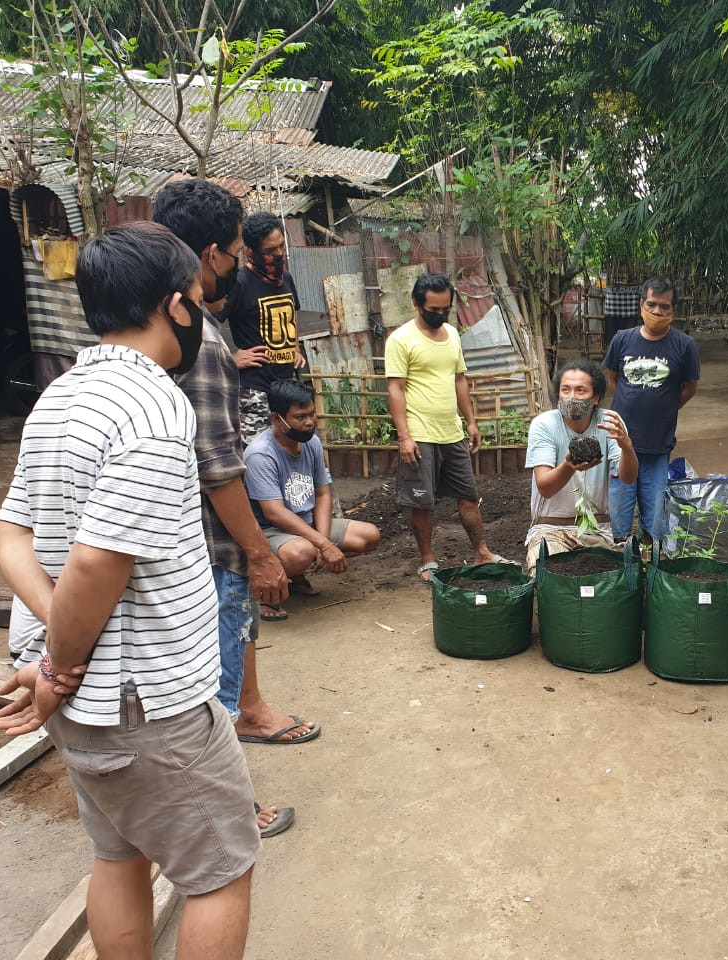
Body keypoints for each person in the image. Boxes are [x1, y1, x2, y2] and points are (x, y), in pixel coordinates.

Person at [0, 222, 258, 960]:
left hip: (92, 706)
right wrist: (58, 663)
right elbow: (94, 567)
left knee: (118, 856)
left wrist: (56, 651)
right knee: (219, 873)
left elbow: (11, 537)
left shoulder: (60, 396)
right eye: (201, 300)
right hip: (149, 704)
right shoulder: (153, 411)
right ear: (177, 306)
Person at [154, 178, 311, 843]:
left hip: (170, 536)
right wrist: (256, 550)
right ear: (216, 253)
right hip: (208, 543)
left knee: (215, 658)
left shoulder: (148, 334)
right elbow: (218, 464)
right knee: (211, 673)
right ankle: (226, 808)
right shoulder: (204, 345)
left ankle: (240, 725)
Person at [386, 272, 510, 583]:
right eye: (433, 309)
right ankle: (428, 559)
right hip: (419, 433)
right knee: (422, 501)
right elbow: (395, 389)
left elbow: (459, 380)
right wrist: (404, 437)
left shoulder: (452, 334)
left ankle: (481, 552)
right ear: (417, 304)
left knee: (468, 495)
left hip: (451, 431)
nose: (440, 314)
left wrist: (470, 421)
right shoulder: (401, 340)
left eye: (445, 309)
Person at [243, 379, 381, 610]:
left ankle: (296, 578)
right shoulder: (260, 455)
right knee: (300, 553)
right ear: (277, 418)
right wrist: (322, 545)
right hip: (270, 531)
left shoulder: (312, 442)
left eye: (311, 414)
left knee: (369, 536)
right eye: (300, 417)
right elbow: (274, 513)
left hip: (305, 523)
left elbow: (322, 494)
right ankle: (263, 590)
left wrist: (323, 541)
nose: (309, 423)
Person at [603, 277, 700, 543]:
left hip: (658, 445)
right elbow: (613, 378)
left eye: (664, 307)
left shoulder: (684, 346)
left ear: (673, 311)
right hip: (621, 445)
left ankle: (650, 564)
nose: (657, 312)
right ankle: (623, 567)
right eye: (652, 304)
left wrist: (665, 406)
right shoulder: (622, 340)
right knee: (620, 518)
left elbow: (689, 389)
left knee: (654, 519)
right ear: (641, 306)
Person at [524, 359, 638, 573]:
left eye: (580, 390)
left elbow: (628, 477)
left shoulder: (609, 422)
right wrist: (569, 465)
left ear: (595, 398)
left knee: (614, 584)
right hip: (550, 529)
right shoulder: (545, 424)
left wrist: (628, 448)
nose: (572, 397)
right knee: (552, 579)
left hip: (598, 530)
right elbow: (545, 487)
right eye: (565, 390)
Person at [220, 211, 305, 445]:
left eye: (281, 247)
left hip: (287, 389)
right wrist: (229, 358)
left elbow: (292, 316)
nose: (279, 255)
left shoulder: (286, 278)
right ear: (251, 252)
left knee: (291, 457)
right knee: (258, 459)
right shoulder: (239, 283)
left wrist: (295, 347)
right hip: (255, 391)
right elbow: (205, 322)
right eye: (270, 251)